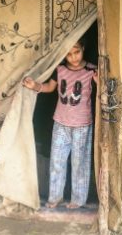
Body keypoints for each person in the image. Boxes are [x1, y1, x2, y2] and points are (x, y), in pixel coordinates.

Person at [22, 38, 97, 210]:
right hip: (60, 123)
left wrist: (100, 83)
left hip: (82, 124)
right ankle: (55, 197)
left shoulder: (91, 70)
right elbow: (49, 87)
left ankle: (78, 199)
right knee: (57, 161)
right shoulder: (60, 69)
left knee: (80, 163)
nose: (73, 57)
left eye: (77, 52)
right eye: (69, 54)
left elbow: (102, 93)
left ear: (83, 49)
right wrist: (35, 85)